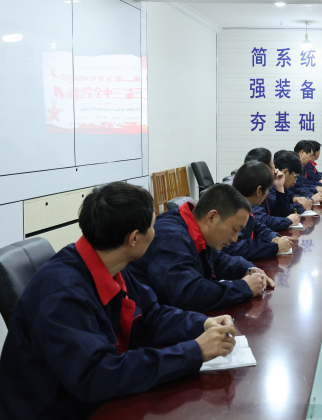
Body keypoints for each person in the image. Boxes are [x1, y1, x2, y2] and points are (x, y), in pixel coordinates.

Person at [0, 182, 241, 419]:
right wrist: (194, 351)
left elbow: (150, 316)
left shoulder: (110, 263)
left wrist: (201, 324)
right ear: (134, 238)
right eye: (153, 226)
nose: (156, 232)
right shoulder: (63, 294)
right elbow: (99, 376)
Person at [127, 183, 272, 311]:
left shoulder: (196, 228)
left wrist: (247, 268)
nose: (235, 239)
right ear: (212, 217)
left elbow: (217, 261)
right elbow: (188, 294)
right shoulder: (172, 238)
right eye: (235, 230)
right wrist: (244, 287)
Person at [222, 161, 294, 260]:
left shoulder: (244, 205)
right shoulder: (231, 211)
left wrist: (274, 238)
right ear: (259, 191)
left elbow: (258, 227)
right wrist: (273, 247)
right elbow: (237, 247)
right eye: (268, 189)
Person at [244, 147, 301, 231]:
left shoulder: (264, 186)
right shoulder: (251, 189)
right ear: (264, 169)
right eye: (273, 165)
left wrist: (279, 187)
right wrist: (288, 221)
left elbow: (279, 214)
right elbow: (261, 221)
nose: (275, 169)